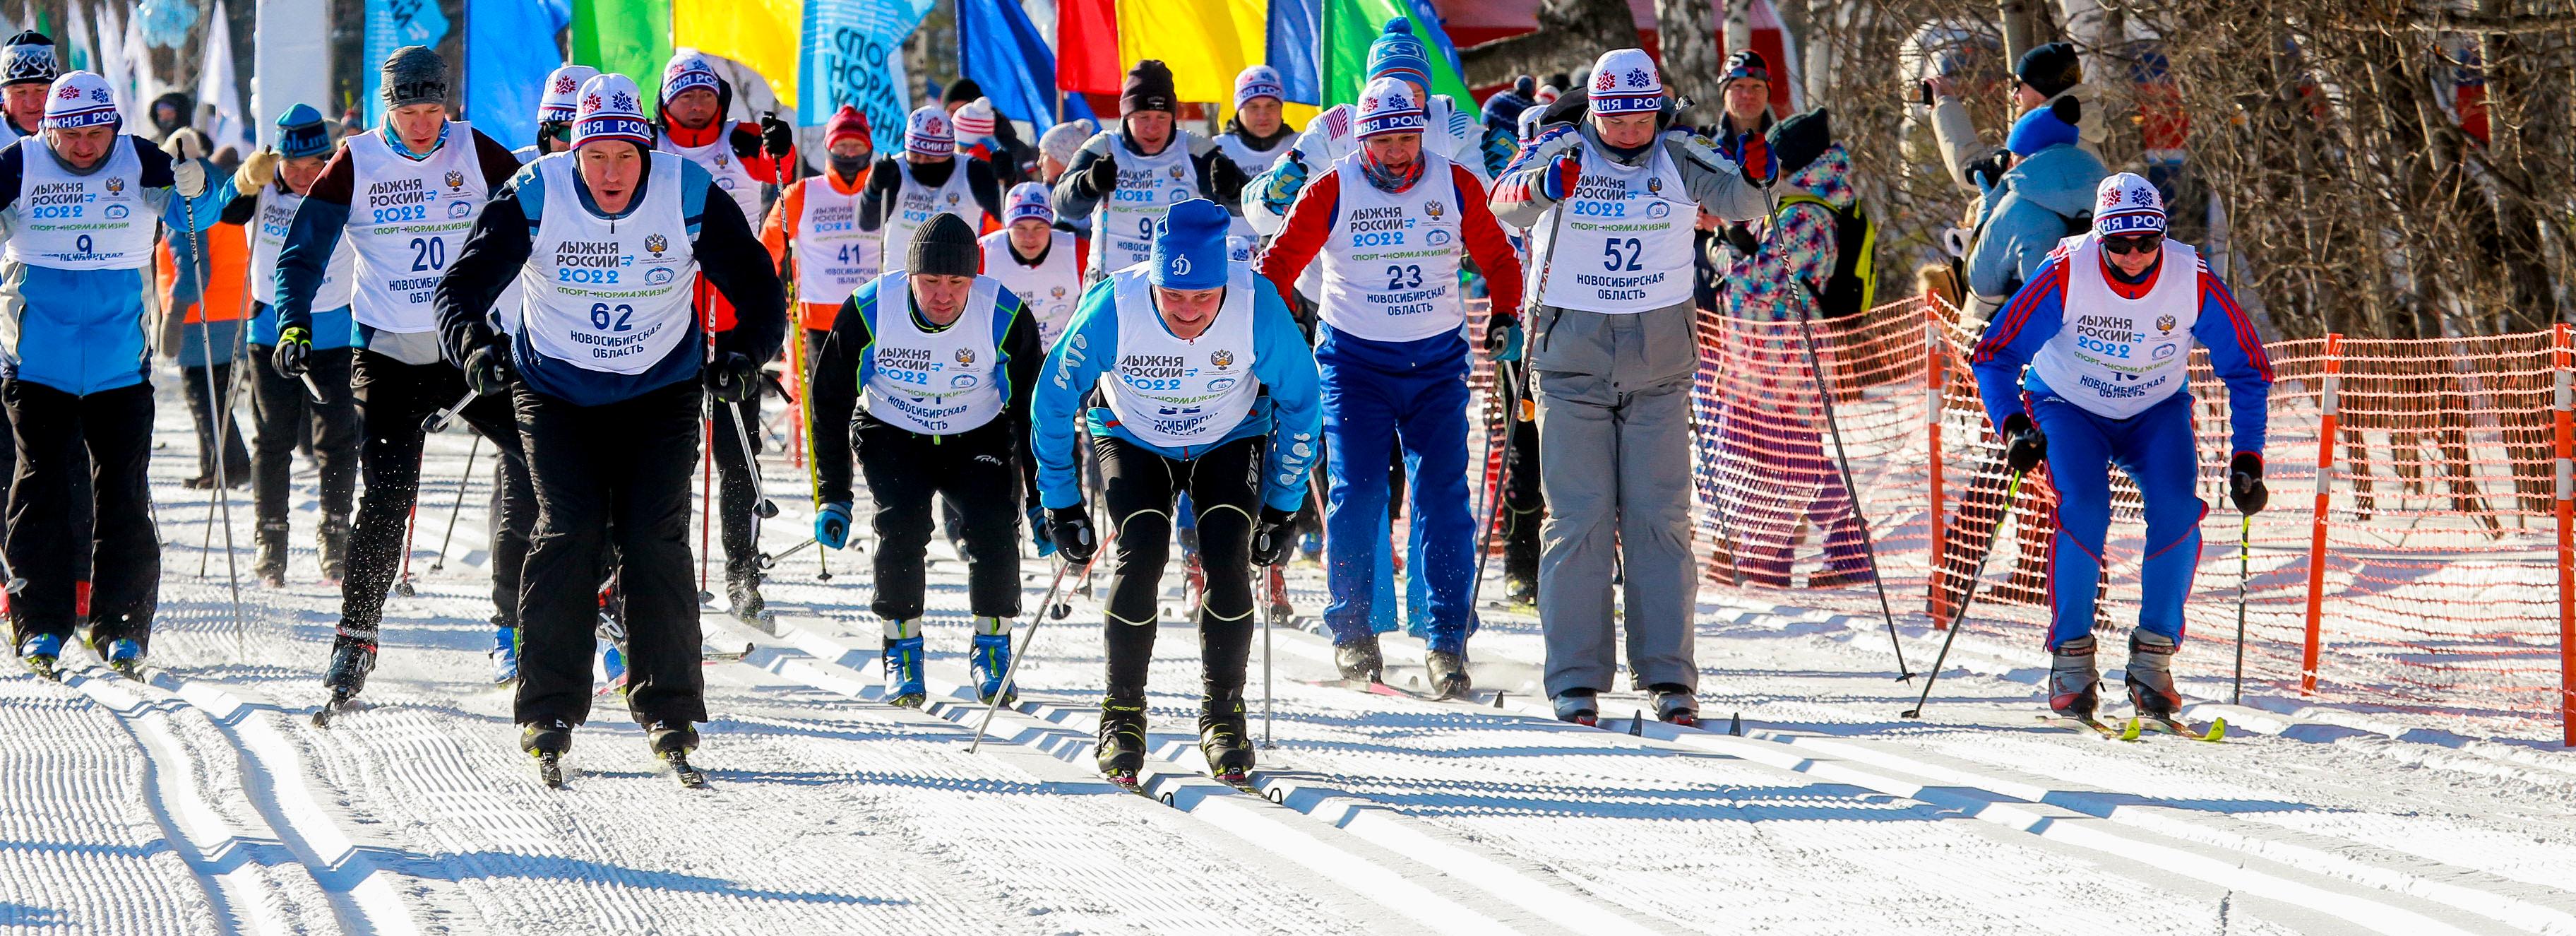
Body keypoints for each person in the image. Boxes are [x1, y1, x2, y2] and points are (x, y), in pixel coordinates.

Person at [435, 71, 787, 771]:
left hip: (660, 389)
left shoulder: (686, 191)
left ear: (647, 149)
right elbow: (460, 289)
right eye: (596, 155)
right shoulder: (535, 192)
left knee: (655, 538)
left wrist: (746, 356)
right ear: (576, 152)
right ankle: (549, 710)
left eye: (627, 154)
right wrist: (475, 350)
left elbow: (760, 289)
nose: (612, 170)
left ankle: (671, 710)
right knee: (567, 532)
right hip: (557, 391)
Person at [1489, 49, 1775, 727]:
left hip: (1659, 365)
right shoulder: (1560, 144)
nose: (1627, 131)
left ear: (1656, 109)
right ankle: (1576, 677)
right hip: (1572, 362)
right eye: (1614, 118)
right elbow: (1505, 200)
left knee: (1660, 518)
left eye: (1639, 116)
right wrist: (1543, 187)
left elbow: (1738, 197)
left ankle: (1671, 676)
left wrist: (1763, 172)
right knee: (1580, 517)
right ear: (1595, 111)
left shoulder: (1678, 152)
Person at [271, 45, 537, 705]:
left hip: (467, 353)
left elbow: (549, 211)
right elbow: (300, 254)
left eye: (432, 108)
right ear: (386, 106)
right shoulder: (356, 160)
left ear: (447, 101)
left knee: (547, 460)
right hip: (388, 354)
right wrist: (293, 321)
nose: (423, 124)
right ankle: (355, 637)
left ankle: (547, 614)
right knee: (387, 500)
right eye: (408, 110)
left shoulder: (475, 151)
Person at [1032, 199, 1320, 785]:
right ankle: (1122, 713)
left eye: (1203, 298)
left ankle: (1222, 714)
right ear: (1155, 281)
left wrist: (1284, 504)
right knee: (1141, 551)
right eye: (1174, 297)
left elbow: (1302, 403)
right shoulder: (1114, 305)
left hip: (1228, 435)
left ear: (1224, 285)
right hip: (1133, 433)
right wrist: (1059, 500)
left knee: (1227, 554)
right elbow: (1052, 400)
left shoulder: (1257, 305)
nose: (1188, 311)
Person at [1256, 78, 1524, 696]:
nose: (1399, 153)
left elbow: (1501, 259)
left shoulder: (1452, 183)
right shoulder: (1334, 186)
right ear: (1364, 138)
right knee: (1359, 493)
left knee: (1444, 497)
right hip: (1355, 367)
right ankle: (1352, 633)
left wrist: (1505, 315)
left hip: (1435, 367)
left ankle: (1447, 638)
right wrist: (1268, 336)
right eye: (1385, 141)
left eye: (1409, 138)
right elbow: (1277, 265)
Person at [1969, 172, 2271, 721]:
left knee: (2180, 509)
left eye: (2146, 242)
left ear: (2161, 235)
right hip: (2069, 406)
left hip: (2154, 410)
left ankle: (2153, 659)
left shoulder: (2190, 276)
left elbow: (2248, 370)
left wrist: (2249, 457)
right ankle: (2072, 660)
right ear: (2099, 236)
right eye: (2118, 243)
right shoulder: (2067, 270)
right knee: (2084, 507)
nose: (2133, 255)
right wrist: (2013, 427)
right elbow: (1994, 354)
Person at [4, 71, 221, 677]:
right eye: (70, 134)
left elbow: (199, 217)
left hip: (118, 366)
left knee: (122, 494)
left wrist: (198, 185)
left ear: (113, 128)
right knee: (39, 490)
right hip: (37, 362)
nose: (83, 147)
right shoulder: (19, 164)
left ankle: (121, 626)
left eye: (96, 132)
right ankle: (39, 625)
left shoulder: (141, 159)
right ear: (48, 127)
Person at [807, 215, 1042, 706]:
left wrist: (1045, 501)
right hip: (893, 430)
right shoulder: (870, 309)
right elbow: (828, 400)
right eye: (930, 281)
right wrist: (834, 494)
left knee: (996, 526)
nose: (943, 296)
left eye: (957, 282)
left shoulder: (1004, 314)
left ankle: (992, 646)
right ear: (908, 275)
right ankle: (902, 647)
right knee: (903, 526)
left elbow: (1032, 413)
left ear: (973, 279)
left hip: (975, 430)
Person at [654, 52, 797, 622]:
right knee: (672, 453)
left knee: (738, 454)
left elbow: (778, 165)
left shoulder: (740, 140)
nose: (696, 103)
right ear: (666, 103)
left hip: (737, 313)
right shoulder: (651, 148)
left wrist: (780, 143)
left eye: (705, 94)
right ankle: (669, 567)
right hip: (669, 317)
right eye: (685, 95)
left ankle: (743, 570)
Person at [1704, 108, 1873, 589]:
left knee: (1797, 458)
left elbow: (1760, 280)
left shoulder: (1809, 211)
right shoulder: (1787, 203)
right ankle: (1768, 555)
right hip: (1762, 356)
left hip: (1789, 358)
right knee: (1759, 455)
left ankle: (1848, 549)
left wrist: (1718, 250)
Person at [226, 105, 360, 588]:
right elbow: (222, 210)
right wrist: (244, 179)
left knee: (338, 440)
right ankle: (271, 537)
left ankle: (334, 533)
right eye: (294, 166)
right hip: (273, 332)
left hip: (337, 331)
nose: (305, 176)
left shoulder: (344, 186)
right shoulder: (261, 187)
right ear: (276, 161)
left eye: (314, 165)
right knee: (273, 438)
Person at [1245, 18, 1514, 247]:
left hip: (1425, 287)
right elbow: (1259, 214)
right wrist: (1271, 196)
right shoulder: (1338, 127)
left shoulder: (1451, 127)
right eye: (1391, 92)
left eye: (1414, 94)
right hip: (1342, 289)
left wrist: (1507, 179)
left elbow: (1507, 222)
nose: (1401, 104)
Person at [1051, 60, 1248, 282]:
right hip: (1111, 275)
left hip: (1176, 278)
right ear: (1126, 116)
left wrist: (1232, 188)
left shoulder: (1196, 150)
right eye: (1143, 117)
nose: (1153, 128)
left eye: (1162, 118)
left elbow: (1245, 205)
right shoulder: (1104, 147)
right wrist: (1087, 184)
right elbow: (1062, 204)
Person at [156, 129, 254, 492]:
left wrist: (173, 316)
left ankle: (230, 467)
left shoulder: (183, 198)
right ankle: (216, 467)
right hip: (233, 307)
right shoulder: (222, 187)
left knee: (203, 399)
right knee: (219, 397)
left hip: (202, 313)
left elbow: (193, 266)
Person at [763, 105, 878, 357]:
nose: (849, 153)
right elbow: (768, 248)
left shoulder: (884, 191)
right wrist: (761, 296)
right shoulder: (800, 194)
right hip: (821, 319)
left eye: (856, 145)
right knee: (825, 396)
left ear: (869, 148)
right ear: (828, 148)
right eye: (841, 145)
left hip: (876, 313)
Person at [1926, 40, 2102, 198]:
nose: (2014, 94)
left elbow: (1969, 170)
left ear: (2042, 86)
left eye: (2020, 85)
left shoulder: (2043, 141)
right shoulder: (2088, 129)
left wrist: (1945, 104)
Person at [862, 105, 1001, 276]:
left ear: (948, 152)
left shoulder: (972, 172)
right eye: (915, 156)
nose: (921, 163)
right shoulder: (895, 171)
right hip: (901, 277)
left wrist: (1007, 180)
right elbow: (867, 223)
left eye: (930, 157)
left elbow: (1005, 213)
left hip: (954, 280)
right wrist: (874, 191)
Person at [978, 182, 1083, 345]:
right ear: (1007, 227)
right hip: (1001, 353)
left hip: (1056, 353)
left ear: (1050, 225)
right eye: (1020, 228)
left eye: (1039, 227)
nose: (1030, 238)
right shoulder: (983, 254)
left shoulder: (1076, 251)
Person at [1212, 66, 1299, 239]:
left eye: (1271, 106)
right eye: (1253, 107)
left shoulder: (1301, 146)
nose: (1263, 115)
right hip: (1233, 257)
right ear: (1239, 109)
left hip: (1286, 255)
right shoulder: (1217, 150)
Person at [513, 64, 599, 163]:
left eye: (585, 133)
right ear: (546, 133)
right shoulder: (511, 168)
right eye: (565, 133)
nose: (573, 144)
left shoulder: (618, 173)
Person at [0, 31, 55, 140]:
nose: (31, 104)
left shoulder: (80, 135)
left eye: (40, 90)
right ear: (3, 93)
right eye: (20, 92)